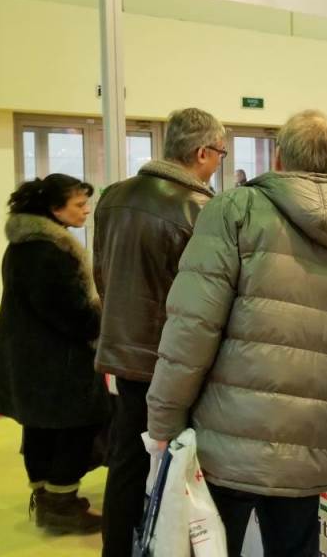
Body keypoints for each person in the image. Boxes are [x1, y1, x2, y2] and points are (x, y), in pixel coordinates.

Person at [146, 109, 327, 557]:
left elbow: (192, 327)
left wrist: (163, 420)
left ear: (279, 158)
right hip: (310, 443)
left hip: (223, 440)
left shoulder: (234, 210)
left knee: (208, 547)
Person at [92, 107, 225, 556]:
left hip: (123, 351)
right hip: (174, 358)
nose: (219, 163)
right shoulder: (200, 210)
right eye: (220, 154)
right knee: (183, 467)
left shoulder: (113, 196)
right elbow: (204, 296)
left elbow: (101, 273)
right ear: (202, 152)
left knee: (127, 463)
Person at [0, 173, 109, 535]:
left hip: (31, 356)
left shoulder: (25, 245)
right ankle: (61, 504)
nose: (86, 210)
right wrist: (102, 318)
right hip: (57, 361)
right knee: (76, 426)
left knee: (39, 427)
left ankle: (47, 498)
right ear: (55, 209)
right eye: (79, 204)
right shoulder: (47, 252)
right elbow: (70, 313)